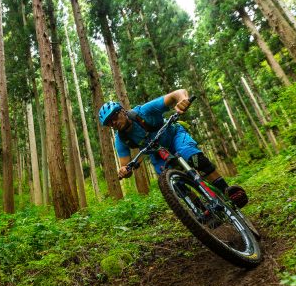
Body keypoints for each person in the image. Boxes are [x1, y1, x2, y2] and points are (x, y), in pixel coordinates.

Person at [98, 89, 248, 208]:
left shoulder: (143, 112)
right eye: (110, 123)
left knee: (190, 155)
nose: (114, 123)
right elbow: (126, 165)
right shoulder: (121, 140)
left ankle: (227, 191)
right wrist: (124, 170)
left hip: (174, 135)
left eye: (115, 117)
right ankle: (201, 210)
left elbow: (177, 93)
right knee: (172, 182)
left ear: (122, 111)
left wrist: (182, 99)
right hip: (157, 153)